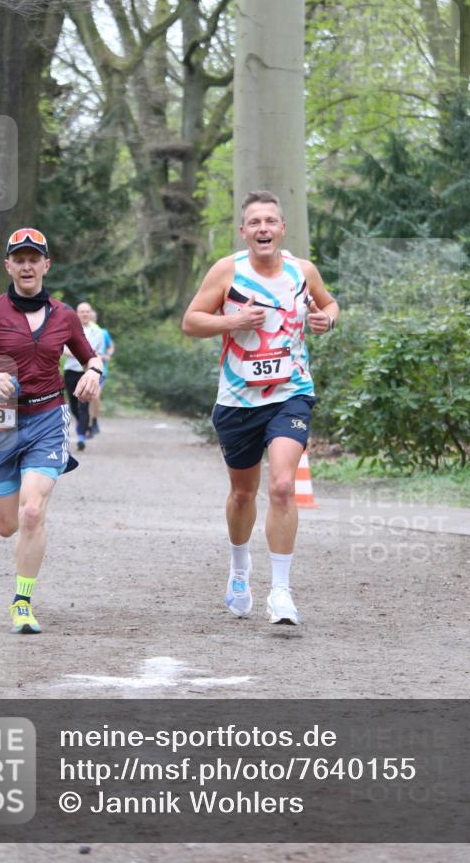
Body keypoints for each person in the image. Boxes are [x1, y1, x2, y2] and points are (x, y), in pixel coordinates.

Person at [181, 191, 338, 625]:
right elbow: (191, 321)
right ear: (244, 231)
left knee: (283, 486)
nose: (263, 228)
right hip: (238, 401)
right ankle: (239, 569)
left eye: (270, 221)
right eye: (255, 222)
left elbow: (328, 303)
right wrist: (232, 321)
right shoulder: (227, 271)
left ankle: (281, 592)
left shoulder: (302, 271)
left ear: (283, 229)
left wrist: (327, 319)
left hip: (291, 393)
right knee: (243, 494)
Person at [0, 228, 104, 634]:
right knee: (7, 525)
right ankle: (23, 533)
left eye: (34, 259)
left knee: (32, 511)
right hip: (0, 423)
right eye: (19, 259)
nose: (27, 266)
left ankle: (22, 602)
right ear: (9, 266)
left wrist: (94, 373)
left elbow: (91, 358)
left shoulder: (65, 316)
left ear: (46, 265)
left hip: (47, 418)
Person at [63, 301, 93, 449]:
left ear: (90, 314)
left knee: (84, 405)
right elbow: (62, 348)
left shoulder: (97, 332)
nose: (85, 314)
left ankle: (81, 437)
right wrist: (78, 353)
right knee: (73, 404)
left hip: (87, 373)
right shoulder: (68, 329)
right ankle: (82, 425)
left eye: (87, 311)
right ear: (77, 313)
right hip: (71, 372)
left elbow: (98, 353)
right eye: (82, 312)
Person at [86, 307, 115, 437]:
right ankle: (87, 423)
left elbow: (111, 346)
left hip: (100, 369)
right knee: (86, 398)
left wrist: (108, 354)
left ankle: (94, 421)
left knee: (95, 396)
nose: (90, 319)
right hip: (82, 369)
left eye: (92, 317)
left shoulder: (103, 332)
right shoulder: (80, 331)